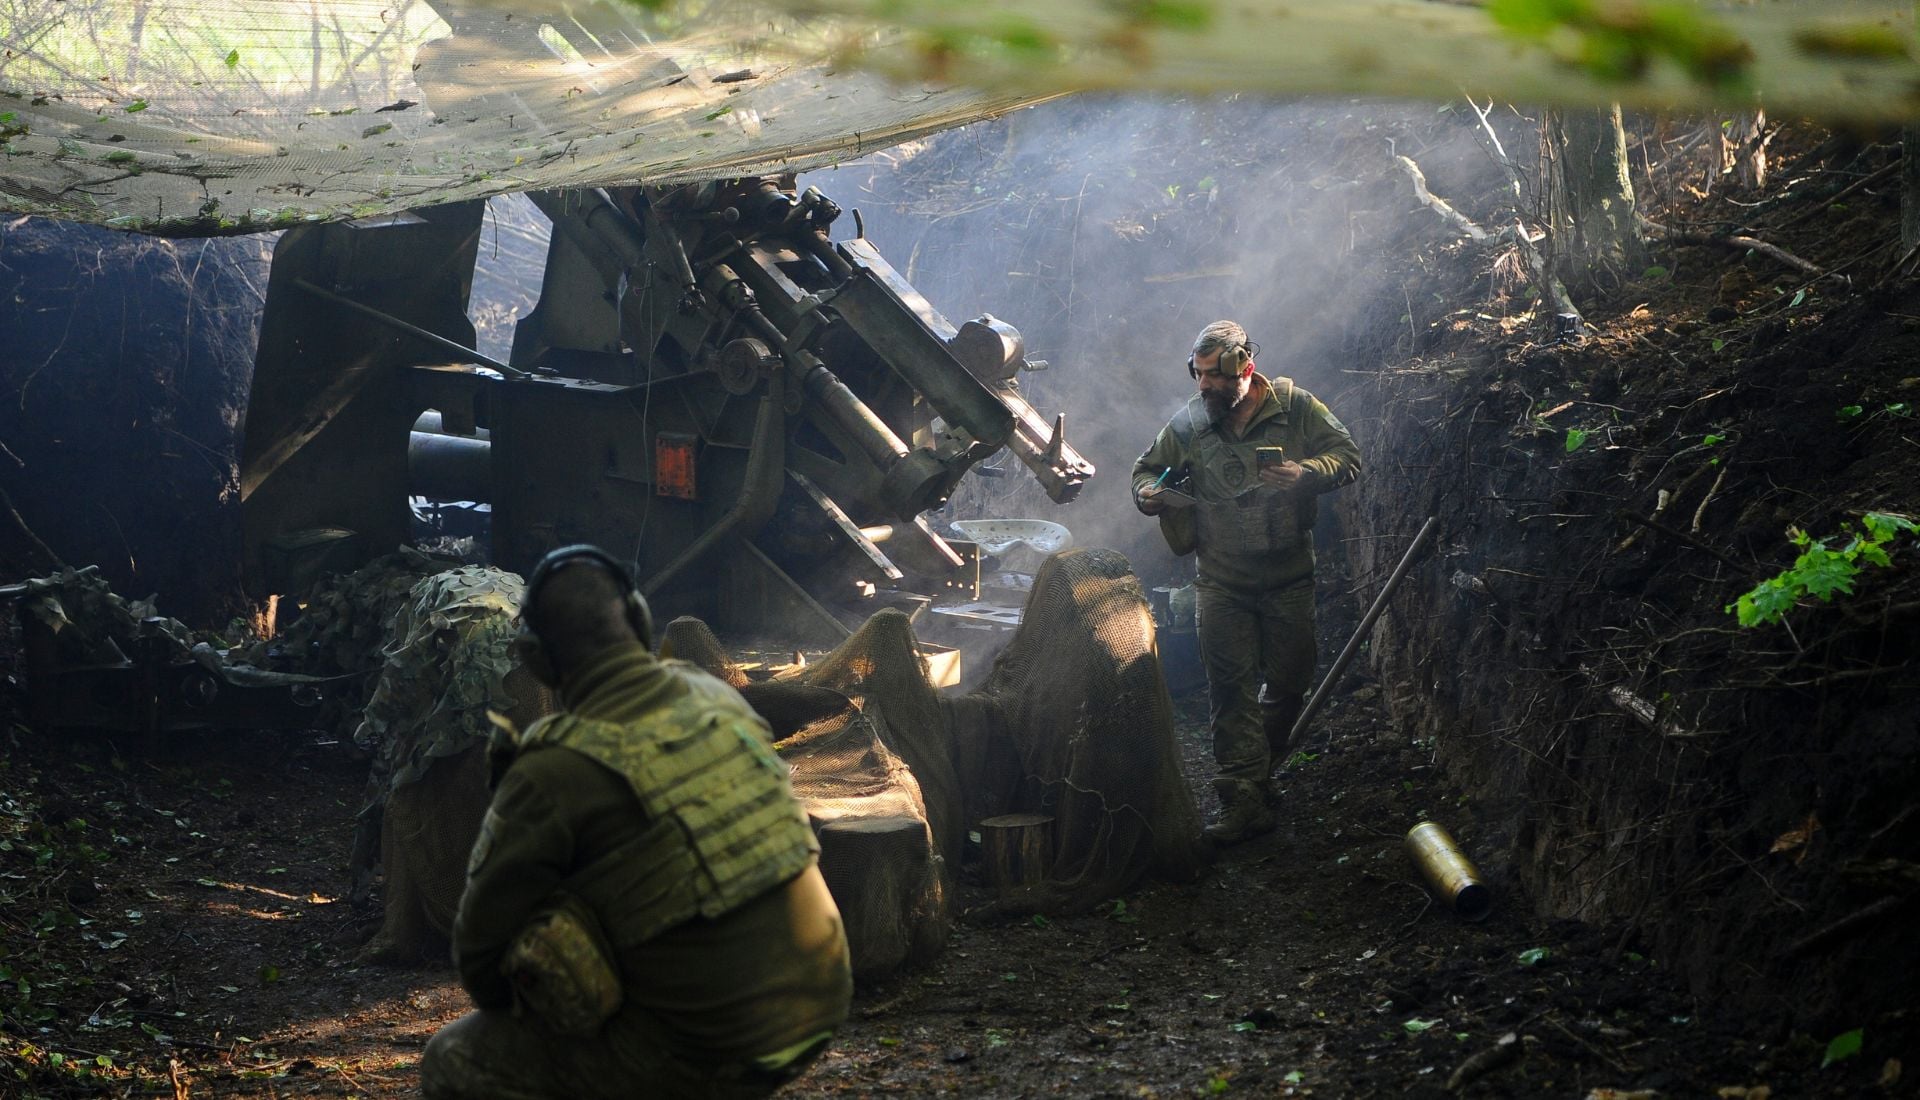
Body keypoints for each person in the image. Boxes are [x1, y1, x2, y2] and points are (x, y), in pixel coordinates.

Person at [420, 545, 852, 1100]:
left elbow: (481, 967)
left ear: (535, 660)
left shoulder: (551, 769)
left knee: (452, 1059)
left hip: (713, 1047)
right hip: (821, 1001)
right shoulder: (716, 699)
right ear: (641, 620)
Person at [1133, 321, 1361, 844]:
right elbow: (1146, 470)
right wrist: (1147, 494)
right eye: (1198, 374)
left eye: (1215, 376)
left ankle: (1257, 773)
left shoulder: (1295, 408)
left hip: (1288, 579)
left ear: (1246, 368)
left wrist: (1305, 473)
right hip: (1221, 582)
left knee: (1289, 682)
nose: (1205, 386)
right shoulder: (1189, 423)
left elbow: (1348, 457)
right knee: (1230, 688)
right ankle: (1242, 795)